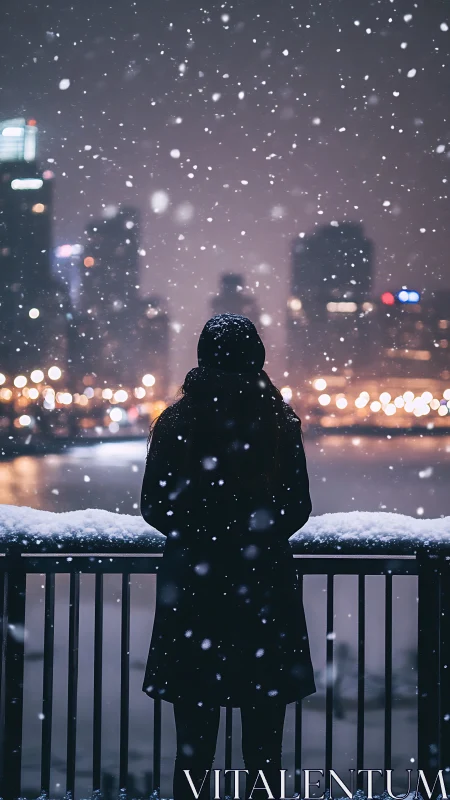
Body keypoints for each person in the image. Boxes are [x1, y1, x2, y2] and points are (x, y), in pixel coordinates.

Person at [141, 313, 315, 800]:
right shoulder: (278, 420)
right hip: (263, 593)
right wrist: (251, 538)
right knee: (265, 749)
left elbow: (154, 505)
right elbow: (297, 506)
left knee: (193, 747)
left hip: (195, 597)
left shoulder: (177, 420)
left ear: (202, 356)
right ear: (256, 356)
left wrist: (204, 538)